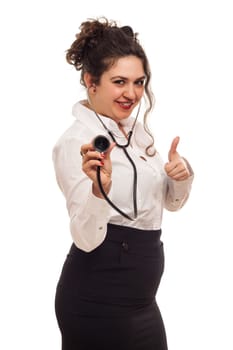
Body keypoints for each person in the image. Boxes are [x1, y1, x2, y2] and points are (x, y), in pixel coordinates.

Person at [52, 17, 194, 350]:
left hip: (143, 300)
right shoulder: (77, 142)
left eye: (139, 82)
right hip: (95, 299)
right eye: (119, 82)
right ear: (91, 81)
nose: (131, 93)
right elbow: (86, 238)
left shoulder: (136, 133)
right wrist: (98, 192)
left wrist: (181, 177)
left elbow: (169, 206)